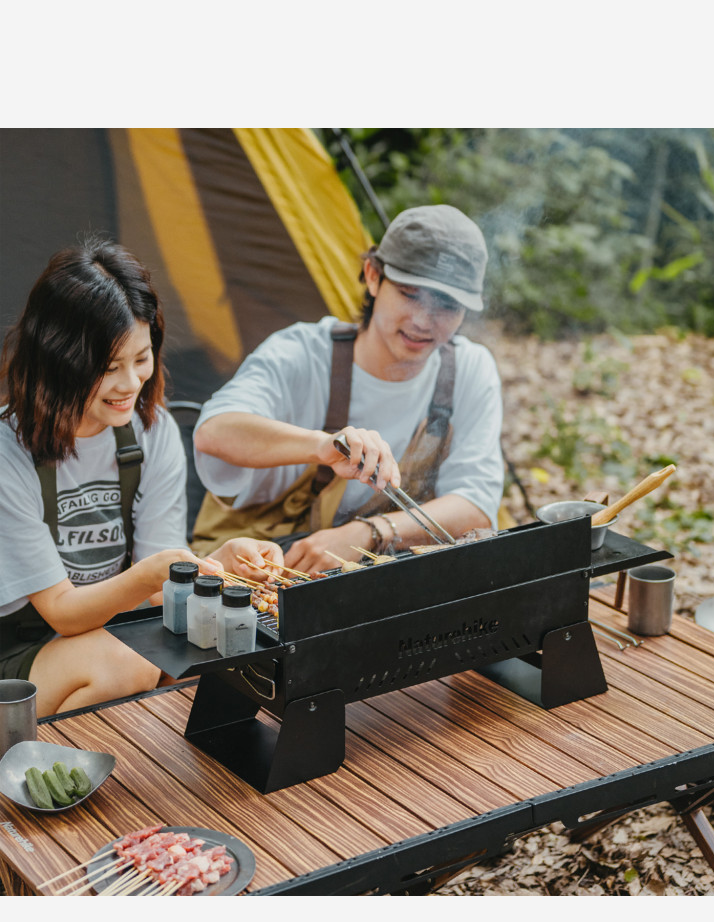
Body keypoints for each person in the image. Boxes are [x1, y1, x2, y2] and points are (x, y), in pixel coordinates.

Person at [0, 239, 284, 716]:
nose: (131, 383)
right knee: (129, 664)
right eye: (109, 367)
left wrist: (220, 563)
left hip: (98, 636)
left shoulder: (152, 431)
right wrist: (157, 573)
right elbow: (63, 612)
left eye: (141, 358)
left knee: (198, 648)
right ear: (58, 358)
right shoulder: (8, 449)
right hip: (18, 659)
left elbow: (158, 589)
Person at [192, 204, 505, 575]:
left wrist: (367, 534)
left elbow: (475, 503)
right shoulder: (303, 353)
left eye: (447, 306)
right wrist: (322, 446)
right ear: (373, 276)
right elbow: (215, 431)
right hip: (261, 568)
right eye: (409, 294)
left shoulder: (468, 369)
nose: (423, 320)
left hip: (378, 578)